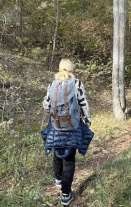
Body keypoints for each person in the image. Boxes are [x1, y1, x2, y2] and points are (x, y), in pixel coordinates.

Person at [42, 59, 92, 206]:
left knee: (57, 150)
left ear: (59, 68)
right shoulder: (77, 84)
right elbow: (83, 104)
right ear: (71, 69)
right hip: (73, 126)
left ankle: (58, 179)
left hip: (56, 125)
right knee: (69, 159)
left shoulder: (52, 84)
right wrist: (87, 120)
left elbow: (46, 104)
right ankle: (65, 194)